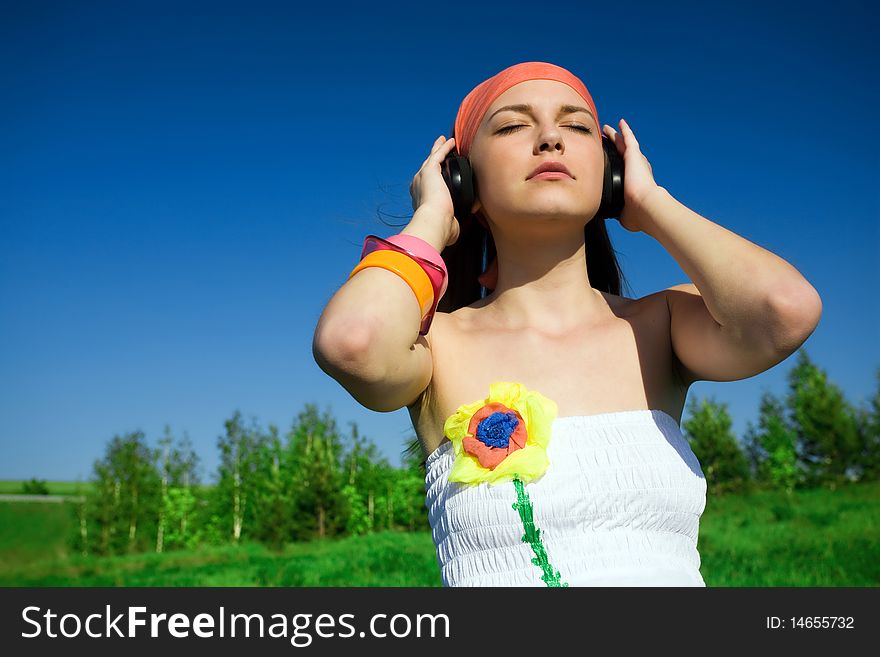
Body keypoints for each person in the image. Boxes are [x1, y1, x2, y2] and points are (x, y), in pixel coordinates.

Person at [312, 61, 822, 587]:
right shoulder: (436, 345)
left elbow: (783, 310)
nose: (551, 138)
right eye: (513, 125)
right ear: (463, 181)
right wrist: (431, 220)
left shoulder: (660, 324)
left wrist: (649, 202)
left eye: (577, 126)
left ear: (610, 172)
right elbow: (353, 342)